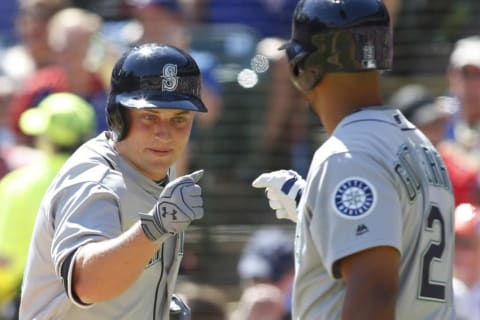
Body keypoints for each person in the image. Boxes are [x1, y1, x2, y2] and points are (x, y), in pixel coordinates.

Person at [251, 0, 455, 319]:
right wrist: (314, 208)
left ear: (301, 67)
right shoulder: (419, 143)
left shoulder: (348, 155)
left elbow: (374, 295)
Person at [19, 43, 208, 319]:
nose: (164, 134)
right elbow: (88, 284)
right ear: (118, 117)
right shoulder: (96, 180)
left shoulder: (153, 167)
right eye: (149, 116)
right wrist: (153, 228)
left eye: (179, 119)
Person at [0, 92, 96, 320]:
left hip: (32, 303)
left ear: (45, 138)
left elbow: (6, 261)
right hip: (96, 302)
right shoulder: (107, 181)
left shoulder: (18, 185)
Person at [231, 228, 295, 320]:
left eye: (273, 278)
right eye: (255, 278)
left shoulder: (309, 309)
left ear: (292, 275)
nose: (263, 288)